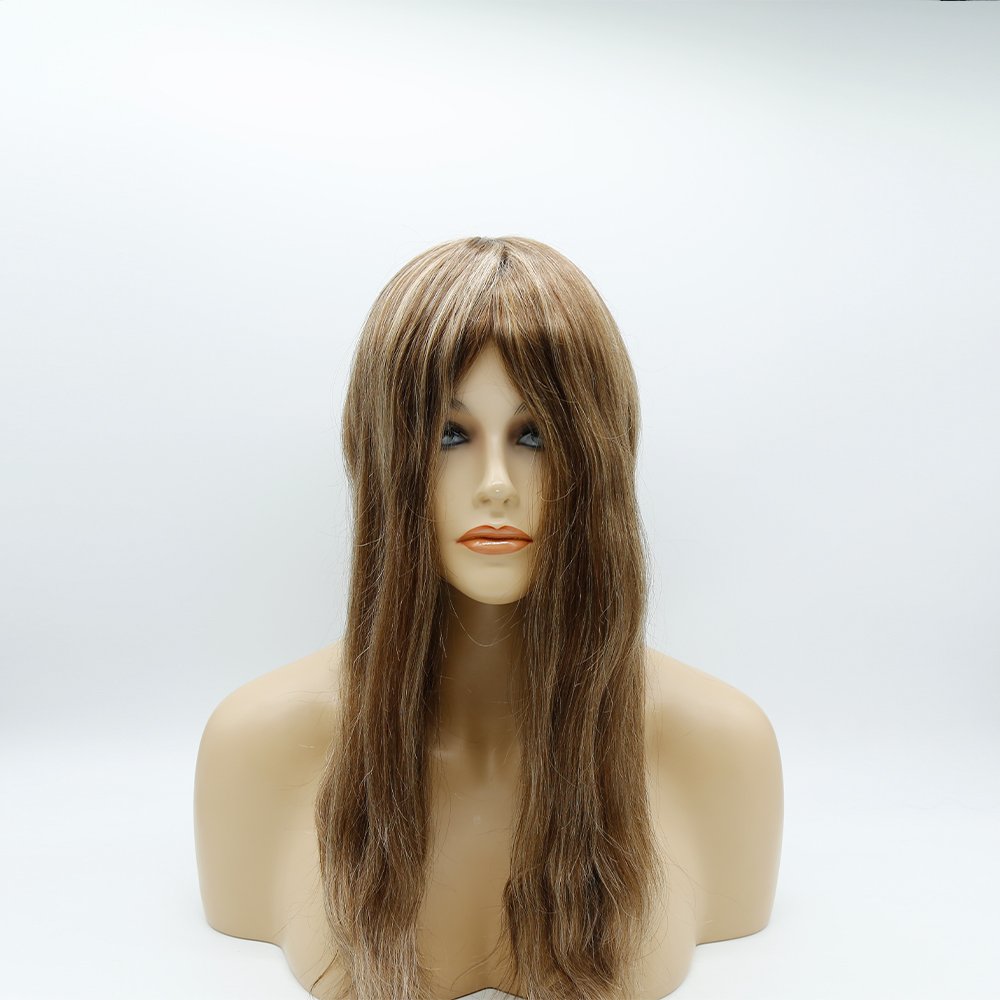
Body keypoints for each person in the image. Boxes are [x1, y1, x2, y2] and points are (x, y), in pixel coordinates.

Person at [193, 236, 783, 1000]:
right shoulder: (255, 749)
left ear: (600, 457)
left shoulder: (723, 751)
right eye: (450, 435)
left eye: (534, 435)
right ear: (381, 456)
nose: (496, 484)